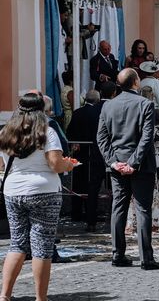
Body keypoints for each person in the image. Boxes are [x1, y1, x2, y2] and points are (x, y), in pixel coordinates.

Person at [0, 93, 75, 301]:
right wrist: (68, 164)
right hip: (44, 190)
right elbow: (55, 164)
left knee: (17, 243)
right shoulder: (47, 132)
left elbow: (1, 165)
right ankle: (40, 298)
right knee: (42, 244)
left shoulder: (7, 131)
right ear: (42, 110)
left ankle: (4, 295)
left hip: (13, 190)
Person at [96, 68, 159, 270]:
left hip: (118, 164)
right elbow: (146, 137)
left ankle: (117, 254)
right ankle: (146, 258)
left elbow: (102, 138)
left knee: (119, 208)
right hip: (140, 164)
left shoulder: (108, 106)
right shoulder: (145, 104)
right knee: (142, 210)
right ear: (135, 82)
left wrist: (113, 161)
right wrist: (133, 162)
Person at [66, 89, 107, 232]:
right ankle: (91, 216)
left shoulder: (77, 113)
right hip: (96, 154)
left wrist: (75, 143)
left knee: (78, 183)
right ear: (97, 100)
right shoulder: (99, 113)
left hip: (80, 154)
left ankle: (76, 212)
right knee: (93, 186)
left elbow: (70, 131)